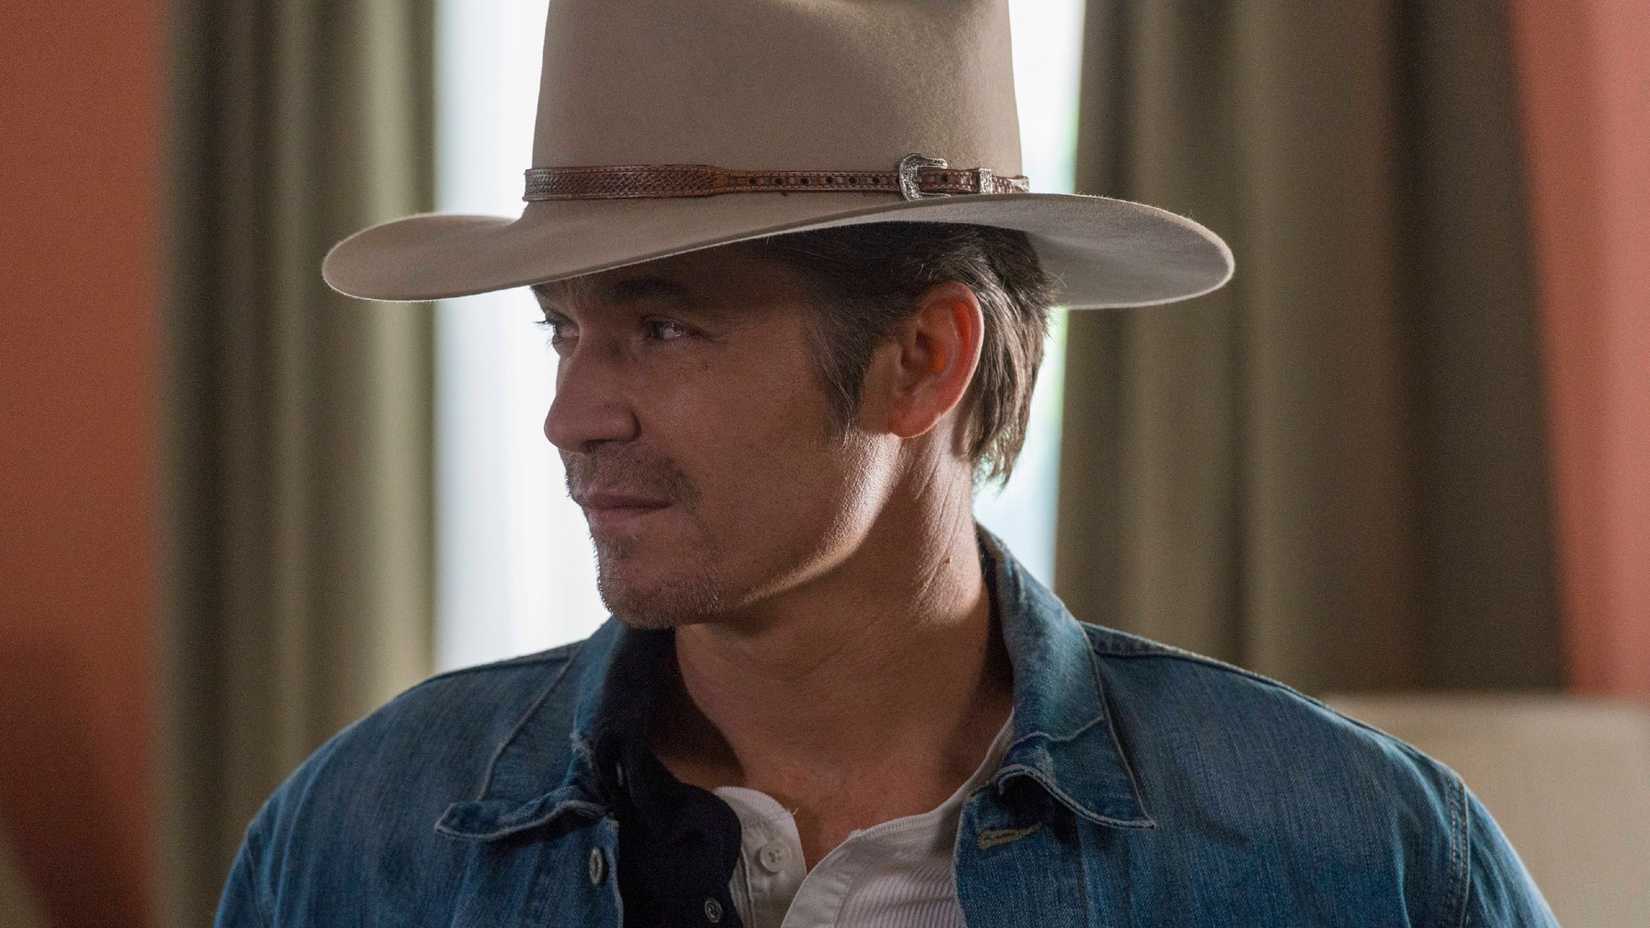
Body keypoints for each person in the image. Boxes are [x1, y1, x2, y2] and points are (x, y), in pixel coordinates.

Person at [216, 1, 1557, 925]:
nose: (572, 417)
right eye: (562, 331)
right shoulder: (366, 835)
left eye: (663, 328)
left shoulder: (1350, 855)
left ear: (923, 359)